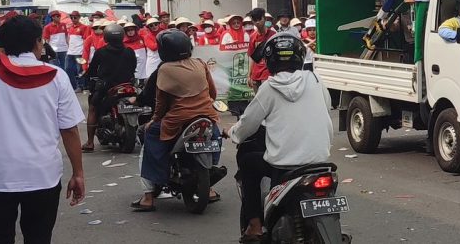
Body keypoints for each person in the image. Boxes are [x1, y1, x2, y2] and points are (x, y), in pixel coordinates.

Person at [0, 15, 86, 243]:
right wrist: (78, 173)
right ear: (37, 42)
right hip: (43, 176)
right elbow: (69, 130)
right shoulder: (57, 77)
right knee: (39, 238)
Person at [230, 32, 332, 242]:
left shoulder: (269, 87)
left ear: (269, 61)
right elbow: (327, 106)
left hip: (285, 167)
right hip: (321, 162)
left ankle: (255, 226)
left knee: (248, 162)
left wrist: (232, 132)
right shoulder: (315, 79)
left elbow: (247, 125)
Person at [132, 30, 220, 212]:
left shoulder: (164, 69)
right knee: (215, 135)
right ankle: (210, 186)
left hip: (177, 119)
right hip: (206, 116)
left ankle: (148, 197)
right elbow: (213, 93)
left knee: (150, 136)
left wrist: (154, 121)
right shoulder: (200, 63)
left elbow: (161, 102)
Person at [81, 23, 137, 152]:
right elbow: (133, 67)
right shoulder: (129, 51)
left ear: (105, 38)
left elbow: (92, 70)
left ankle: (90, 142)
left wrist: (88, 76)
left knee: (93, 108)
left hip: (107, 87)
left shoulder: (101, 52)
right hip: (127, 85)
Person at [65, 11, 90, 92]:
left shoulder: (84, 27)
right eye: (71, 17)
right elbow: (69, 38)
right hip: (70, 52)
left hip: (79, 52)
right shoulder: (70, 27)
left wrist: (84, 51)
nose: (73, 19)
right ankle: (73, 85)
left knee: (80, 70)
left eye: (75, 17)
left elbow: (86, 40)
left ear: (79, 18)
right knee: (68, 69)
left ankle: (81, 86)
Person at [42, 10, 69, 83]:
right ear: (53, 17)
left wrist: (68, 45)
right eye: (57, 16)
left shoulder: (63, 25)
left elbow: (66, 36)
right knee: (55, 67)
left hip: (64, 49)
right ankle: (57, 81)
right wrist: (48, 51)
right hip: (53, 50)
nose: (59, 17)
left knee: (64, 67)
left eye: (59, 16)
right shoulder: (47, 27)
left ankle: (64, 81)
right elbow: (46, 40)